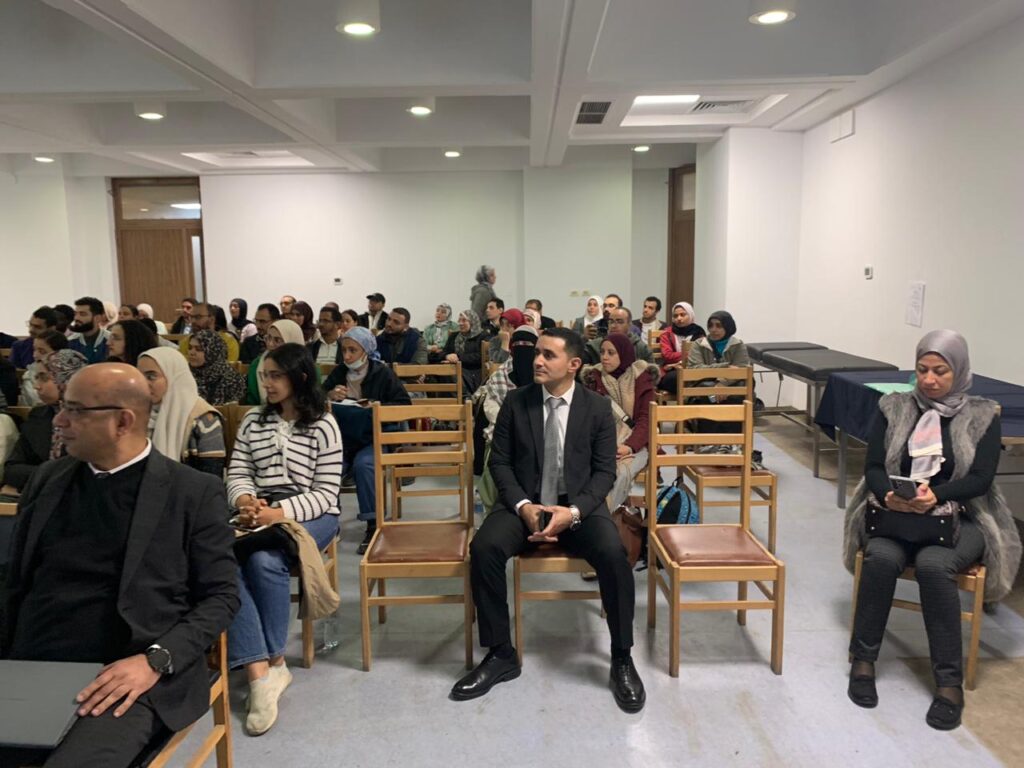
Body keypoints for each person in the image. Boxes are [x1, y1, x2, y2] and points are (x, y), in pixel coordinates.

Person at [1, 363, 239, 768]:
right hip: (33, 662)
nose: (59, 421)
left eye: (74, 410)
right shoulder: (47, 479)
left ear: (122, 422)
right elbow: (13, 578)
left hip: (128, 671)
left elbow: (222, 597)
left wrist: (155, 660)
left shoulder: (191, 492)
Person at [451, 328, 645, 713]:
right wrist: (524, 506)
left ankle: (621, 656)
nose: (537, 361)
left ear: (574, 364)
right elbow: (500, 463)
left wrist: (573, 512)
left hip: (577, 507)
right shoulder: (516, 402)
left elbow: (604, 472)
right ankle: (501, 654)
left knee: (613, 553)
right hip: (524, 503)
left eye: (548, 355)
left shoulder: (596, 408)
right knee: (485, 548)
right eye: (537, 353)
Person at [843, 330, 1021, 731]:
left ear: (959, 370)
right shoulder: (894, 407)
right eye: (922, 369)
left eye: (940, 371)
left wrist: (936, 494)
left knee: (933, 566)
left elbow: (980, 479)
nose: (929, 379)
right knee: (881, 557)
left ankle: (948, 683)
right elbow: (874, 466)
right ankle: (863, 660)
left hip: (963, 516)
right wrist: (890, 494)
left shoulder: (982, 415)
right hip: (897, 515)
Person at [226, 343, 342, 736]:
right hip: (260, 511)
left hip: (313, 514)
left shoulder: (323, 424)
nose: (268, 384)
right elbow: (238, 471)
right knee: (223, 560)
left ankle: (267, 662)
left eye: (276, 376)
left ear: (300, 377)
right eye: (264, 376)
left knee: (264, 560)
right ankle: (264, 670)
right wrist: (245, 500)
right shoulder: (252, 421)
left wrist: (280, 513)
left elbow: (326, 493)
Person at [324, 327, 411, 553]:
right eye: (344, 350)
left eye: (353, 350)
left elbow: (403, 405)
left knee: (364, 465)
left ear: (366, 351)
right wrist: (330, 395)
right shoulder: (338, 373)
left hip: (374, 438)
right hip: (343, 440)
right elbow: (316, 399)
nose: (347, 356)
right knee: (328, 466)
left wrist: (376, 408)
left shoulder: (382, 373)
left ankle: (373, 525)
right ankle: (329, 523)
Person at [582, 334, 656, 510]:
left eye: (611, 352)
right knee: (589, 471)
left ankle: (601, 515)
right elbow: (588, 419)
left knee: (621, 473)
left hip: (636, 443)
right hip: (601, 441)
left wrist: (629, 446)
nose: (604, 357)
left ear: (624, 354)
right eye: (602, 352)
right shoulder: (593, 379)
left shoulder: (642, 379)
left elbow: (646, 420)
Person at [0, 350, 88, 497]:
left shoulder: (92, 419)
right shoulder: (39, 415)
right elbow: (12, 470)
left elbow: (85, 476)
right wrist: (54, 476)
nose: (36, 386)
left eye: (44, 378)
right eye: (36, 378)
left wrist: (37, 477)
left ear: (66, 379)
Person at [137, 348, 226, 477]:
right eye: (139, 376)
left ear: (173, 377)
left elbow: (211, 477)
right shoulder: (133, 414)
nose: (143, 383)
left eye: (151, 376)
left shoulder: (204, 419)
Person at [246, 319, 305, 405]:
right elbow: (252, 400)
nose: (270, 344)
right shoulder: (256, 364)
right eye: (268, 338)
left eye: (277, 340)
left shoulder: (307, 366)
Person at [187, 330, 247, 406]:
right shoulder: (184, 375)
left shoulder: (231, 379)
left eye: (199, 349)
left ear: (213, 352)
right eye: (190, 348)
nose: (192, 353)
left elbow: (232, 410)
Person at [659, 301, 707, 394]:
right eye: (675, 316)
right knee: (675, 379)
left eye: (682, 315)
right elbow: (667, 355)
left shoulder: (699, 332)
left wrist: (683, 360)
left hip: (694, 368)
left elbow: (702, 354)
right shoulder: (667, 333)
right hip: (673, 370)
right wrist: (690, 355)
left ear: (690, 315)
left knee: (706, 378)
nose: (679, 318)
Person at [442, 309, 489, 397]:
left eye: (464, 320)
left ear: (472, 321)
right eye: (459, 320)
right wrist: (447, 356)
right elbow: (443, 352)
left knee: (452, 372)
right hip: (453, 368)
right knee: (441, 372)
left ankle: (465, 398)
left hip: (473, 371)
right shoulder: (454, 336)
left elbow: (480, 356)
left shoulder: (483, 336)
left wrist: (458, 358)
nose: (460, 323)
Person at [583, 308, 652, 365]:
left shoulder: (641, 348)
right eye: (611, 322)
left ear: (629, 325)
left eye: (619, 322)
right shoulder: (594, 346)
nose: (613, 326)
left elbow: (652, 373)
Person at [19, 328, 69, 406]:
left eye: (42, 351)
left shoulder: (70, 374)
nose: (35, 355)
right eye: (34, 350)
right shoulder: (29, 375)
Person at [67, 296, 110, 363]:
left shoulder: (110, 340)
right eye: (75, 314)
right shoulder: (70, 342)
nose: (76, 318)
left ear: (97, 318)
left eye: (82, 314)